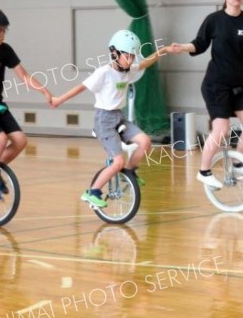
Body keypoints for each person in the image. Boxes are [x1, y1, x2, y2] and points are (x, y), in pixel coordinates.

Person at [51, 30, 168, 208]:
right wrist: (59, 99)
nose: (130, 60)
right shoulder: (103, 73)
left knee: (144, 142)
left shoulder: (129, 70)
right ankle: (92, 192)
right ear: (115, 53)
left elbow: (145, 64)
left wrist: (163, 51)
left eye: (132, 56)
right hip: (104, 121)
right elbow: (80, 88)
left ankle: (128, 172)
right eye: (127, 56)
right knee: (117, 161)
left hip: (118, 117)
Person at [168, 0, 243, 189]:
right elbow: (199, 44)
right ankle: (204, 171)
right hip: (215, 85)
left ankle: (238, 163)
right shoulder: (214, 20)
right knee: (222, 129)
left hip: (239, 85)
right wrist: (181, 47)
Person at [0, 7, 53, 203]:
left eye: (5, 31)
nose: (2, 35)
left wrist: (44, 90)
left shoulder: (5, 51)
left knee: (20, 140)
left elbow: (23, 75)